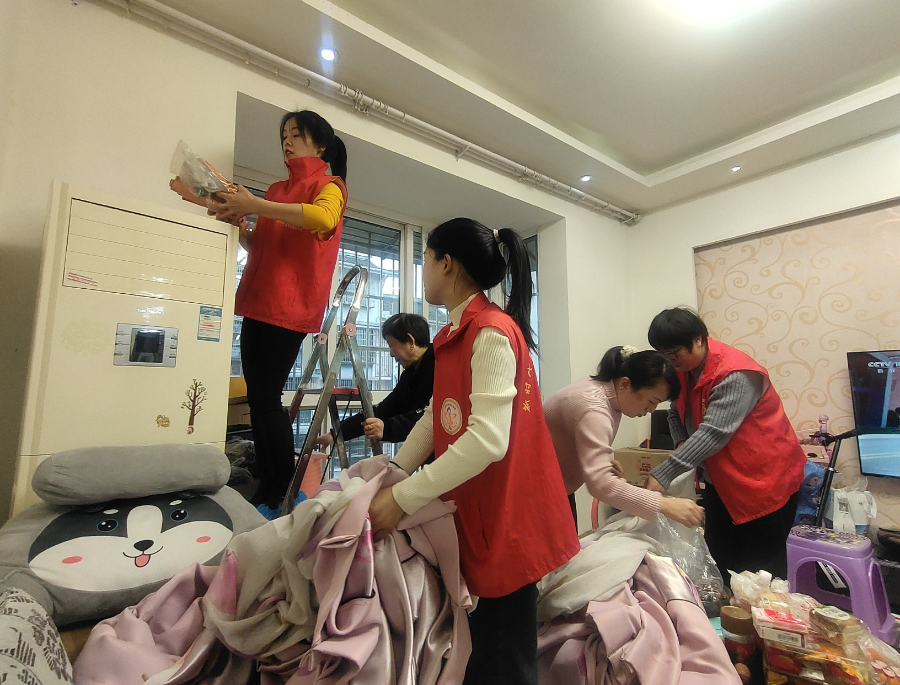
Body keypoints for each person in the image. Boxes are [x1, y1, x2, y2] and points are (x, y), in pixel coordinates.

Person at [367, 218, 578, 685]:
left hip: (505, 519)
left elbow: (487, 440)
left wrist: (402, 497)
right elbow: (436, 416)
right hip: (482, 513)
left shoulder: (490, 332)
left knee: (502, 660)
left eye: (425, 259)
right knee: (481, 653)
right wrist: (394, 472)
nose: (423, 269)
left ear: (447, 263)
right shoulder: (455, 334)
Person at [210, 110, 348, 516]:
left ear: (319, 146)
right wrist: (243, 228)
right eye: (284, 135)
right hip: (259, 299)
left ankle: (279, 489)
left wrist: (256, 204)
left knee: (267, 399)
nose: (287, 142)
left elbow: (323, 218)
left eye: (296, 135)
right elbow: (266, 248)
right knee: (259, 398)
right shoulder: (276, 190)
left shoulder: (330, 185)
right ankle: (270, 480)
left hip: (288, 304)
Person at [645, 307, 806, 581]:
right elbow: (674, 411)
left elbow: (713, 433)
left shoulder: (735, 373)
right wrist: (682, 442)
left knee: (760, 574)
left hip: (762, 481)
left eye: (673, 353)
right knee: (720, 563)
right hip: (721, 481)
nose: (669, 361)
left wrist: (664, 473)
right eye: (663, 354)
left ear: (698, 340)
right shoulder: (684, 370)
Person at [544, 345, 704, 529]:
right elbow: (601, 484)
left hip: (554, 486)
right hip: (538, 491)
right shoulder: (594, 408)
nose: (651, 410)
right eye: (651, 401)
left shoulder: (603, 390)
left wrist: (599, 461)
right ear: (625, 384)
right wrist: (665, 505)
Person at [314, 313, 435, 448]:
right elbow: (385, 409)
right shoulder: (410, 373)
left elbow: (430, 416)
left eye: (391, 345)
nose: (391, 354)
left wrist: (387, 429)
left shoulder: (439, 366)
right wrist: (335, 434)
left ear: (410, 341)